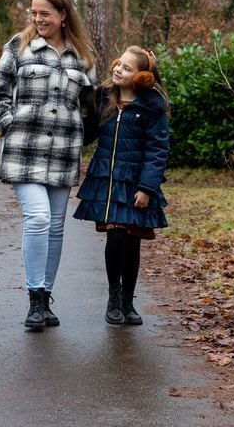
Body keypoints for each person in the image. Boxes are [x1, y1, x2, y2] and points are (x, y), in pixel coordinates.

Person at [0, 0, 97, 331]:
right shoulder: (18, 47)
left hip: (64, 153)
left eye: (45, 13)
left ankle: (46, 297)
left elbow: (91, 108)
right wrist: (10, 125)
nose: (38, 19)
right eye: (34, 13)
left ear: (64, 15)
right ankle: (34, 298)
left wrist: (82, 138)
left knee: (56, 227)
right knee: (38, 218)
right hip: (24, 152)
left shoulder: (83, 57)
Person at [73, 46, 169, 326]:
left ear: (141, 77)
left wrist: (147, 187)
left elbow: (157, 148)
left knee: (132, 240)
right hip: (108, 179)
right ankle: (113, 297)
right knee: (115, 236)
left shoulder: (152, 106)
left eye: (126, 68)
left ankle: (128, 300)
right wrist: (84, 106)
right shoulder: (104, 98)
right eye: (118, 64)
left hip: (135, 182)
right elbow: (88, 135)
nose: (118, 69)